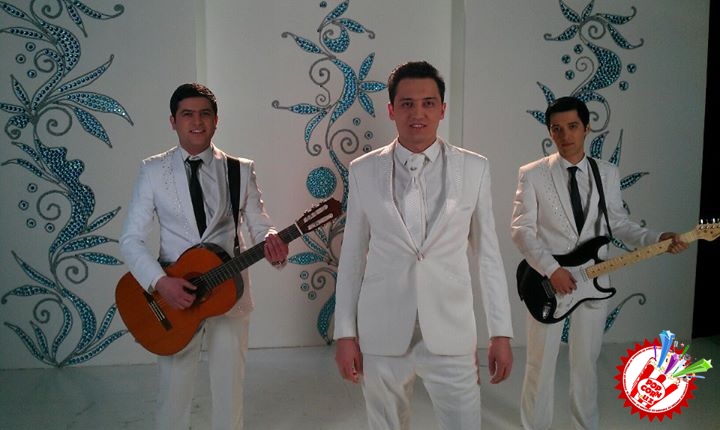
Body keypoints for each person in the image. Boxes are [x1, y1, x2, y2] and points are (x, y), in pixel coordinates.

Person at [333, 60, 514, 430]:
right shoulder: (363, 170)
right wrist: (345, 334)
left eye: (428, 103)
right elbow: (351, 257)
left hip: (451, 331)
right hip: (382, 331)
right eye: (407, 103)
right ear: (391, 110)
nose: (418, 113)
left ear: (442, 109)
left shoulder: (474, 168)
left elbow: (489, 257)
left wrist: (501, 332)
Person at [511, 96, 688, 430]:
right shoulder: (532, 174)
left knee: (586, 365)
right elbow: (521, 231)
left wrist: (657, 238)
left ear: (587, 127)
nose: (565, 135)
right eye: (557, 129)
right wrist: (552, 270)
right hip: (547, 283)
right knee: (539, 364)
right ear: (549, 131)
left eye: (572, 126)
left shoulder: (606, 172)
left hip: (593, 282)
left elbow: (618, 223)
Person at [119, 83, 288, 430]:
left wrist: (272, 242)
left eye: (205, 114)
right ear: (173, 121)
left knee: (229, 393)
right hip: (172, 300)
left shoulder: (240, 169)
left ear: (216, 120)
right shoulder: (153, 171)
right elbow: (131, 240)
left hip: (229, 294)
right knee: (172, 397)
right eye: (187, 114)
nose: (197, 122)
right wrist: (160, 283)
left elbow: (260, 224)